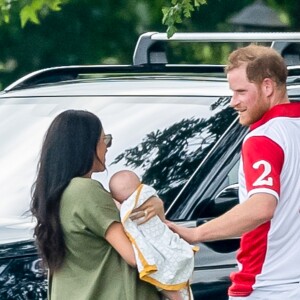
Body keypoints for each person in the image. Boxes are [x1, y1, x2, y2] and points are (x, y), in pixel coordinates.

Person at [166, 44, 300, 300]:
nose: (233, 102)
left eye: (240, 92)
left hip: (265, 285)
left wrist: (196, 233)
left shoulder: (263, 138)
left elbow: (261, 207)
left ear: (268, 86)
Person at [30, 110, 161, 300]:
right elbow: (135, 256)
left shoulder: (56, 193)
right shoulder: (85, 191)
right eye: (104, 139)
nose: (107, 147)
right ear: (85, 145)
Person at [109, 170, 198, 300]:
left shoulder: (126, 207)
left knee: (163, 271)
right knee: (169, 274)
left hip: (158, 250)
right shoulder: (149, 197)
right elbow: (163, 221)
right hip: (166, 248)